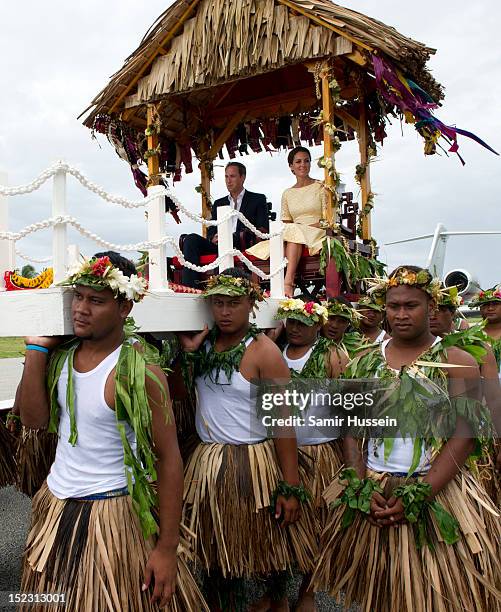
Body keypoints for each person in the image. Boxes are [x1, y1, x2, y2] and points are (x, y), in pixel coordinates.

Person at [16, 251, 207, 612]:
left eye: (96, 300)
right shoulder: (60, 357)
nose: (81, 309)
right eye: (78, 297)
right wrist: (37, 349)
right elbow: (33, 420)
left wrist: (166, 549)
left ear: (124, 308)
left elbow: (169, 460)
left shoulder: (141, 372)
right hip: (56, 507)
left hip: (113, 515)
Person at [313, 266, 501, 611]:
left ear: (431, 306)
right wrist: (359, 484)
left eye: (410, 306)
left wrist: (422, 493)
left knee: (435, 597)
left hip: (437, 492)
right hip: (375, 488)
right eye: (393, 306)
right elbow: (352, 429)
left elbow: (465, 434)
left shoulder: (457, 361)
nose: (400, 314)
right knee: (381, 594)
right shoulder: (363, 362)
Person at [179, 269, 316, 612]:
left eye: (234, 303)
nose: (224, 311)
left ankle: (275, 601)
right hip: (210, 465)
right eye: (218, 303)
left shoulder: (264, 351)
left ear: (251, 305)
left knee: (264, 553)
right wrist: (190, 354)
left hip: (253, 466)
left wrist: (290, 486)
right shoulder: (204, 345)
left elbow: (283, 421)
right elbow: (177, 393)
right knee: (218, 555)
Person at [274, 297, 346, 611]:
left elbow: (347, 410)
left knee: (316, 527)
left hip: (320, 454)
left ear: (317, 324)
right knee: (277, 529)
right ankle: (275, 593)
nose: (295, 329)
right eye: (290, 322)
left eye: (302, 323)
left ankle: (307, 591)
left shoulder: (331, 355)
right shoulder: (277, 353)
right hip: (281, 454)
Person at [247, 147, 327, 296]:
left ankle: (288, 283)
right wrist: (296, 229)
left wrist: (303, 228)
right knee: (288, 234)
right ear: (291, 166)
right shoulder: (287, 193)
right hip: (294, 233)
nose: (302, 164)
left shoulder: (321, 187)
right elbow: (286, 222)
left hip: (316, 231)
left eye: (306, 161)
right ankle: (265, 290)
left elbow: (328, 219)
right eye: (298, 161)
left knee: (294, 232)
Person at [181, 162, 269, 287]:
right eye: (226, 177)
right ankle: (190, 287)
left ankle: (219, 285)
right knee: (191, 239)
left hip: (242, 243)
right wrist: (213, 237)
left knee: (229, 237)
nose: (228, 181)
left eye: (232, 176)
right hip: (219, 244)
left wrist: (233, 236)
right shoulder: (219, 203)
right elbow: (211, 227)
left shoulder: (257, 199)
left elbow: (263, 228)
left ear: (242, 177)